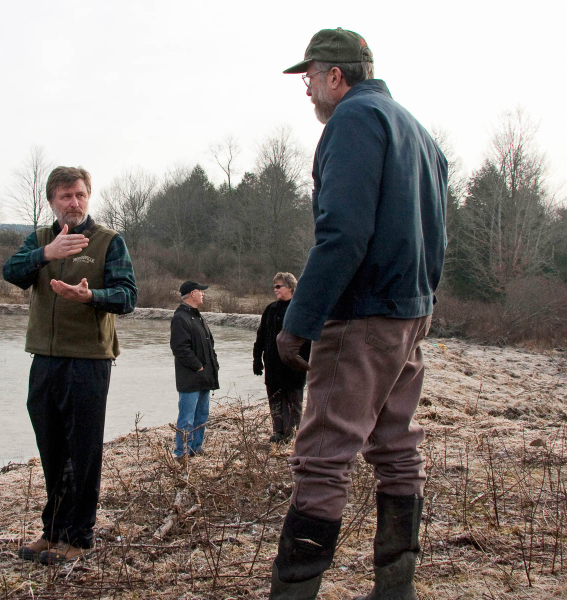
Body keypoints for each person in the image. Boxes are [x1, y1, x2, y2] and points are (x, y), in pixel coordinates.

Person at [267, 29, 448, 600]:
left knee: (322, 457)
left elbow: (341, 234)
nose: (308, 91)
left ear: (335, 76)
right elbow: (440, 236)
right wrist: (421, 305)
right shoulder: (418, 132)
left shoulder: (352, 120)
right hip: (409, 313)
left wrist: (299, 319)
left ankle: (293, 592)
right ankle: (396, 590)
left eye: (310, 78)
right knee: (398, 449)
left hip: (365, 315)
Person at [2, 166, 137, 564]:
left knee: (83, 450)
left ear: (88, 197)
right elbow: (10, 272)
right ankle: (53, 530)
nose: (73, 203)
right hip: (44, 358)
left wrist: (90, 296)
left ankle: (79, 539)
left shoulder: (109, 240)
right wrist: (45, 255)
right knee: (52, 448)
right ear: (52, 202)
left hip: (89, 361)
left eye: (79, 195)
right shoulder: (41, 239)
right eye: (65, 196)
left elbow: (128, 296)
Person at [253, 272, 310, 444]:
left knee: (293, 398)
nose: (275, 290)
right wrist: (257, 359)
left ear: (290, 287)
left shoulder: (300, 309)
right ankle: (278, 430)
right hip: (272, 365)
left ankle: (292, 432)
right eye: (274, 287)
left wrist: (304, 362)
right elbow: (261, 336)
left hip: (293, 365)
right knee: (275, 397)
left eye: (279, 286)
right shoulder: (270, 309)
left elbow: (308, 340)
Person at [170, 281, 219, 459]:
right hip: (190, 378)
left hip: (205, 376)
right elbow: (179, 348)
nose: (203, 294)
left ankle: (195, 448)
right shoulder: (180, 318)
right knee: (187, 418)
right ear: (192, 294)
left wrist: (213, 366)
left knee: (201, 416)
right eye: (200, 291)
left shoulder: (197, 316)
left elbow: (209, 345)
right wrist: (197, 366)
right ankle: (181, 452)